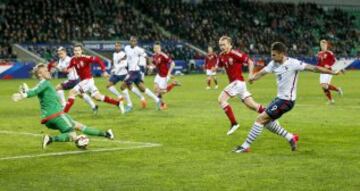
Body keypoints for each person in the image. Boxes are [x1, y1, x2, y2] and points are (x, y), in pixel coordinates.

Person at [233, 42, 339, 153]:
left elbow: (314, 68)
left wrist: (331, 72)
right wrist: (253, 78)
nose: (272, 57)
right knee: (267, 123)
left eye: (274, 55)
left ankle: (245, 146)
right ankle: (290, 137)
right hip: (279, 99)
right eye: (271, 54)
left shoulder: (294, 63)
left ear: (281, 54)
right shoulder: (273, 63)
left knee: (260, 119)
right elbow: (263, 72)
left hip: (287, 101)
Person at [11, 64, 114, 149]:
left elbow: (34, 90)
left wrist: (25, 93)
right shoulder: (45, 83)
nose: (48, 72)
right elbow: (35, 90)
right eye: (46, 71)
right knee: (72, 135)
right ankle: (50, 139)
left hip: (51, 117)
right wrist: (24, 95)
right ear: (40, 74)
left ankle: (106, 134)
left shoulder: (42, 84)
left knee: (79, 126)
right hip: (56, 115)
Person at [217, 36, 266, 135]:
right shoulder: (222, 55)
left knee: (221, 99)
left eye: (224, 44)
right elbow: (220, 66)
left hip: (238, 82)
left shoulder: (235, 53)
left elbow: (250, 62)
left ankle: (234, 123)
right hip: (237, 85)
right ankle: (270, 115)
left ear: (230, 45)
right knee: (252, 106)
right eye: (220, 45)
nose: (222, 47)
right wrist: (218, 61)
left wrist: (251, 75)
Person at [63, 43, 125, 113]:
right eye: (75, 50)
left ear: (81, 51)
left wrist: (104, 71)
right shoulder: (73, 59)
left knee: (72, 92)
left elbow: (98, 60)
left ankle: (64, 113)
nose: (77, 52)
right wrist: (66, 69)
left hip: (88, 80)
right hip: (84, 81)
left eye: (78, 50)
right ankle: (118, 103)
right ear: (73, 51)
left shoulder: (86, 58)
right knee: (97, 97)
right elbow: (69, 67)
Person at [51, 47, 98, 113]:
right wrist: (56, 68)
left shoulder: (69, 59)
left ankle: (64, 105)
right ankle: (93, 106)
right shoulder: (61, 60)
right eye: (59, 54)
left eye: (61, 53)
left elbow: (67, 70)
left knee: (58, 88)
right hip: (73, 80)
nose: (60, 55)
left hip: (74, 80)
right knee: (81, 94)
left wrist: (58, 68)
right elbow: (60, 68)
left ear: (65, 52)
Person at [120, 36, 161, 109]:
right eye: (132, 41)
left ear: (136, 42)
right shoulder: (126, 48)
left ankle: (129, 105)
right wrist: (122, 59)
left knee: (122, 87)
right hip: (133, 71)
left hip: (134, 71)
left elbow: (147, 57)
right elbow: (127, 55)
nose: (133, 42)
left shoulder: (139, 50)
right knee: (142, 88)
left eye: (134, 41)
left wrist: (150, 66)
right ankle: (157, 100)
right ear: (129, 41)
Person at [151, 41, 180, 110]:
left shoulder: (163, 55)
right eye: (155, 48)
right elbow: (155, 64)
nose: (156, 49)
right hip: (159, 75)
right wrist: (151, 67)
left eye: (158, 48)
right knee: (156, 90)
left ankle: (172, 85)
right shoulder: (154, 56)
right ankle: (162, 104)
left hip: (164, 76)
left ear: (160, 48)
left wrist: (169, 73)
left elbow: (172, 63)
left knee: (161, 92)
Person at [106, 42, 133, 112]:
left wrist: (116, 67)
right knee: (108, 85)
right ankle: (120, 96)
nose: (117, 47)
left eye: (118, 46)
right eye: (116, 46)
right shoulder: (114, 54)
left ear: (120, 47)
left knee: (126, 88)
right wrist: (113, 70)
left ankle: (130, 104)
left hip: (124, 74)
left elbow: (124, 64)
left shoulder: (123, 54)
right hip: (116, 74)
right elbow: (115, 64)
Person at [317, 40, 343, 104]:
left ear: (326, 45)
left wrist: (330, 66)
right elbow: (319, 63)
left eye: (324, 45)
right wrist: (317, 68)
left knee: (324, 85)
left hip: (329, 71)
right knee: (323, 86)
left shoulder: (330, 53)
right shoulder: (319, 53)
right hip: (322, 71)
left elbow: (335, 61)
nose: (323, 46)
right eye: (321, 45)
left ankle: (335, 94)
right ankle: (332, 98)